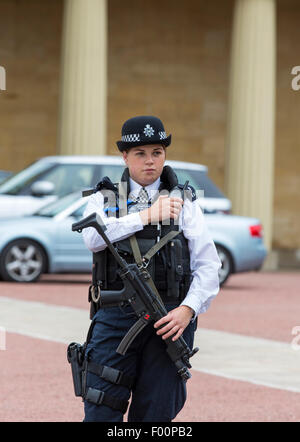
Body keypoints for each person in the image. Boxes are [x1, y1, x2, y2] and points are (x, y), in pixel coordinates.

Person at [81, 115, 221, 422]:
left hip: (169, 317)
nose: (150, 161)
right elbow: (92, 237)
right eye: (140, 154)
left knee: (156, 413)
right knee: (101, 407)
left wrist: (188, 310)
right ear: (125, 157)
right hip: (115, 316)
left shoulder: (184, 201)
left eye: (156, 152)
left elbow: (209, 266)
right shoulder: (103, 197)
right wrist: (146, 215)